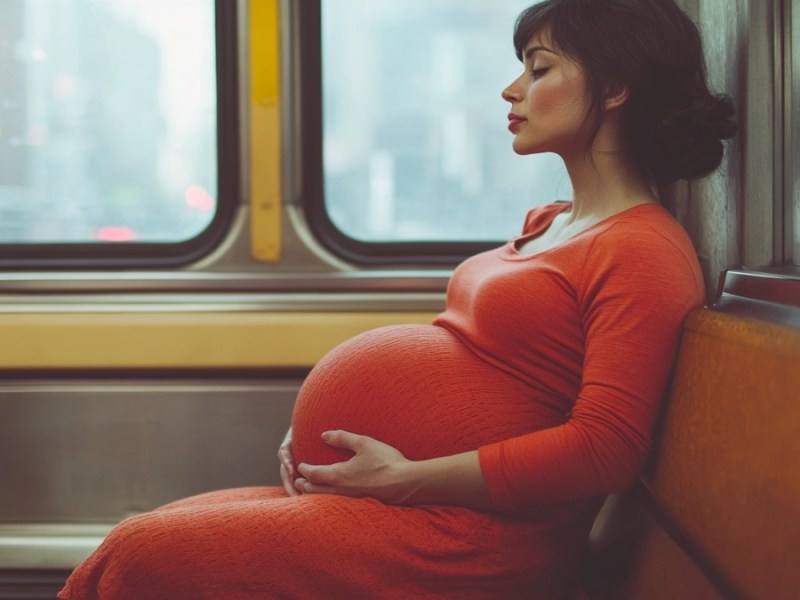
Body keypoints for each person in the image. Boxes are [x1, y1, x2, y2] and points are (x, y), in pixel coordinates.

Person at [59, 1, 737, 598]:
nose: (511, 90)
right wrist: (319, 443)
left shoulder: (643, 248)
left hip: (469, 541)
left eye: (538, 69)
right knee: (142, 535)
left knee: (140, 559)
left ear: (614, 86)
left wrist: (406, 478)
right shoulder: (550, 221)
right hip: (403, 505)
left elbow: (605, 448)